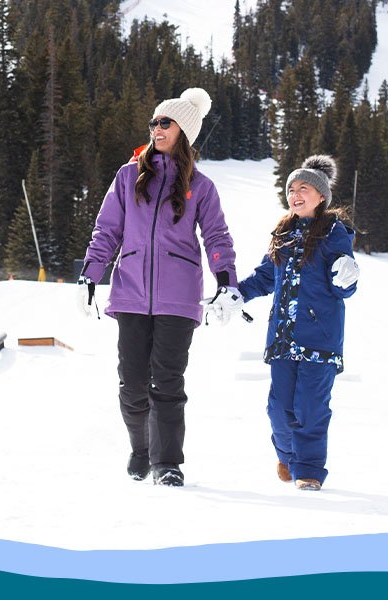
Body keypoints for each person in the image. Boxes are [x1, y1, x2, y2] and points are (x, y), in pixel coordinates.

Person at [78, 87, 242, 487]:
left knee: (166, 383)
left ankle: (167, 462)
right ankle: (141, 448)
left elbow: (217, 237)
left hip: (178, 298)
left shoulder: (200, 187)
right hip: (130, 292)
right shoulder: (127, 176)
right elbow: (107, 230)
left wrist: (226, 283)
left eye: (164, 122)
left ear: (183, 130)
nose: (155, 128)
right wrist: (90, 274)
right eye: (153, 122)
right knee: (133, 383)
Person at [234, 155, 359, 491]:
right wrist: (237, 294)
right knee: (278, 408)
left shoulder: (335, 233)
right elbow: (266, 276)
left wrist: (347, 277)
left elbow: (341, 283)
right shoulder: (284, 232)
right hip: (282, 338)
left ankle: (309, 471)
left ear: (321, 196)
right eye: (291, 188)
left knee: (310, 409)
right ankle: (290, 457)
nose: (295, 193)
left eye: (304, 187)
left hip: (319, 338)